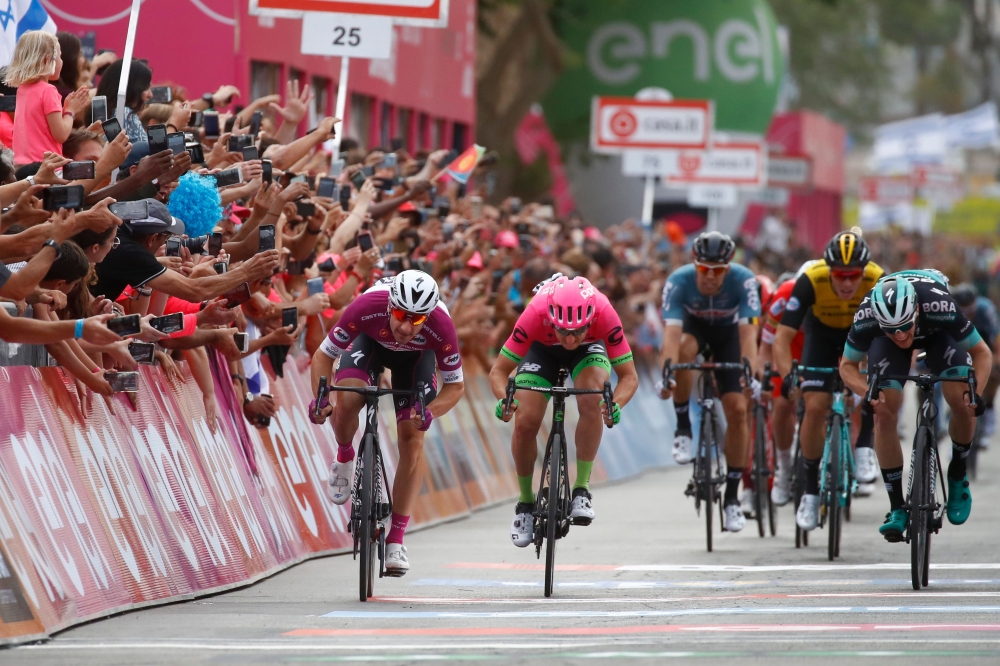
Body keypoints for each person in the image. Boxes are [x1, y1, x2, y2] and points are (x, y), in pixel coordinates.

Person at [309, 270, 465, 576]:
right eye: (400, 315)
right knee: (349, 399)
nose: (406, 327)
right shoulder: (367, 305)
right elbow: (322, 356)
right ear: (389, 304)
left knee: (412, 437)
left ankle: (396, 539)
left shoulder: (441, 325)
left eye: (417, 320)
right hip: (369, 345)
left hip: (417, 361)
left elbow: (456, 386)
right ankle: (344, 456)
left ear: (428, 316)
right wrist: (321, 398)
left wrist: (431, 410)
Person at [488, 274, 638, 548]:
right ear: (550, 317)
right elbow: (498, 371)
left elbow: (629, 376)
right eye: (563, 331)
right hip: (541, 352)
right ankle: (524, 504)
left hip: (588, 352)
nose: (570, 339)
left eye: (577, 330)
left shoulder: (604, 310)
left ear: (590, 318)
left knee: (593, 398)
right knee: (525, 421)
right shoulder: (535, 311)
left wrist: (615, 404)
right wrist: (504, 400)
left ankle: (581, 490)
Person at [840, 271, 992, 541]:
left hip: (938, 335)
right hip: (885, 348)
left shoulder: (940, 306)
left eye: (904, 326)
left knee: (961, 400)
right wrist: (866, 393)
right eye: (891, 329)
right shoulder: (867, 316)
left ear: (917, 311)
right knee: (883, 411)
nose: (900, 335)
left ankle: (958, 473)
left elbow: (982, 353)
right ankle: (897, 506)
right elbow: (847, 366)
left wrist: (975, 394)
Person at [772, 231, 884, 532]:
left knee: (879, 384)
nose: (848, 283)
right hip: (820, 333)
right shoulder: (810, 279)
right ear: (829, 270)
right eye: (840, 276)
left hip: (861, 333)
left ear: (864, 271)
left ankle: (863, 445)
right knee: (815, 405)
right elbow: (782, 339)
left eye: (854, 276)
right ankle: (809, 490)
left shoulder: (877, 279)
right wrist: (789, 376)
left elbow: (894, 337)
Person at [657, 231, 760, 533]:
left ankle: (731, 498)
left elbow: (748, 337)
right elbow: (671, 338)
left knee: (738, 411)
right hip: (695, 331)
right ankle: (683, 427)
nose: (711, 277)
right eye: (704, 269)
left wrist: (749, 374)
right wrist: (666, 373)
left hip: (729, 336)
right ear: (695, 264)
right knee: (684, 351)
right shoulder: (678, 281)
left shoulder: (744, 280)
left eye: (718, 271)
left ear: (728, 268)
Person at [4, 30, 90, 164]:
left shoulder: (22, 89)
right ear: (46, 60)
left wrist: (64, 107)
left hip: (21, 166)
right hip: (46, 166)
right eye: (59, 57)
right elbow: (60, 134)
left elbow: (41, 127)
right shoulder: (49, 90)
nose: (61, 62)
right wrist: (70, 111)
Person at [758, 272, 802, 506]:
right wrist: (764, 376)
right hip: (788, 350)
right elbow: (766, 346)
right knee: (783, 403)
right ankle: (784, 466)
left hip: (824, 346)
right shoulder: (784, 297)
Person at [952, 283, 1000, 438]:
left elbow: (996, 338)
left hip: (985, 344)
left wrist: (996, 360)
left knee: (994, 374)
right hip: (961, 345)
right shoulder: (950, 311)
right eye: (964, 312)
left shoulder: (986, 309)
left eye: (971, 311)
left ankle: (990, 411)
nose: (969, 315)